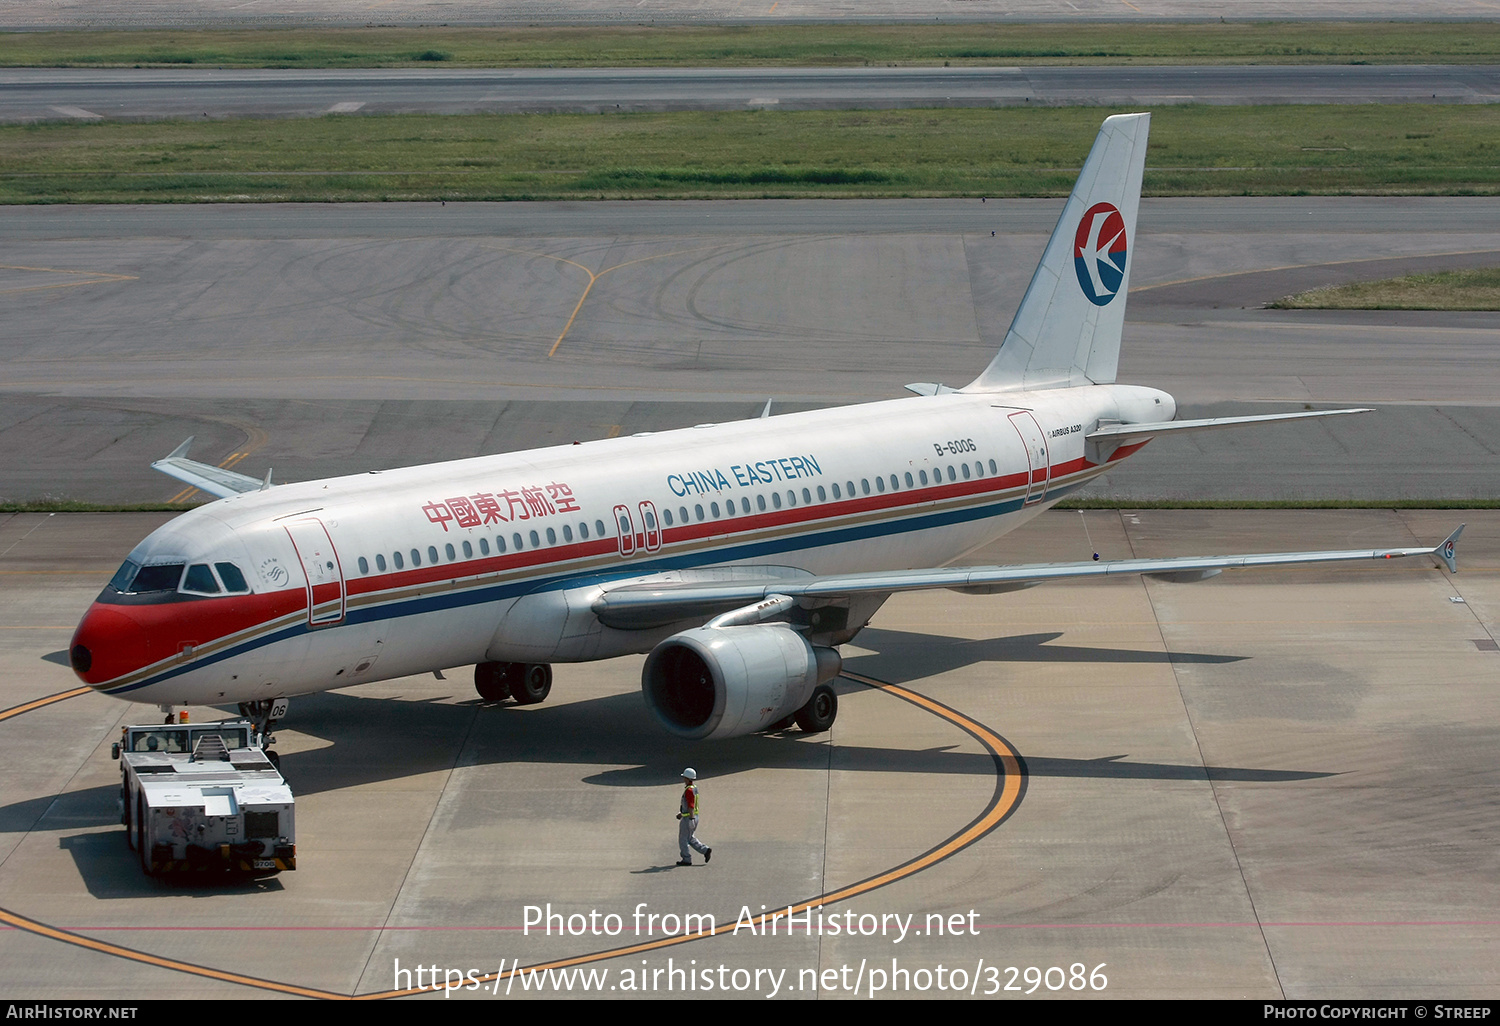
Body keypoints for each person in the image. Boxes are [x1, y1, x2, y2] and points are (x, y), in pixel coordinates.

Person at [676, 768, 712, 867]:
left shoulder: (689, 790)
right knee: (690, 838)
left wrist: (690, 819)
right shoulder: (694, 788)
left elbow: (691, 806)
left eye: (684, 777)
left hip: (689, 818)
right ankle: (705, 850)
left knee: (683, 839)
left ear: (687, 778)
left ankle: (686, 859)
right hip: (693, 816)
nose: (683, 779)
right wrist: (682, 813)